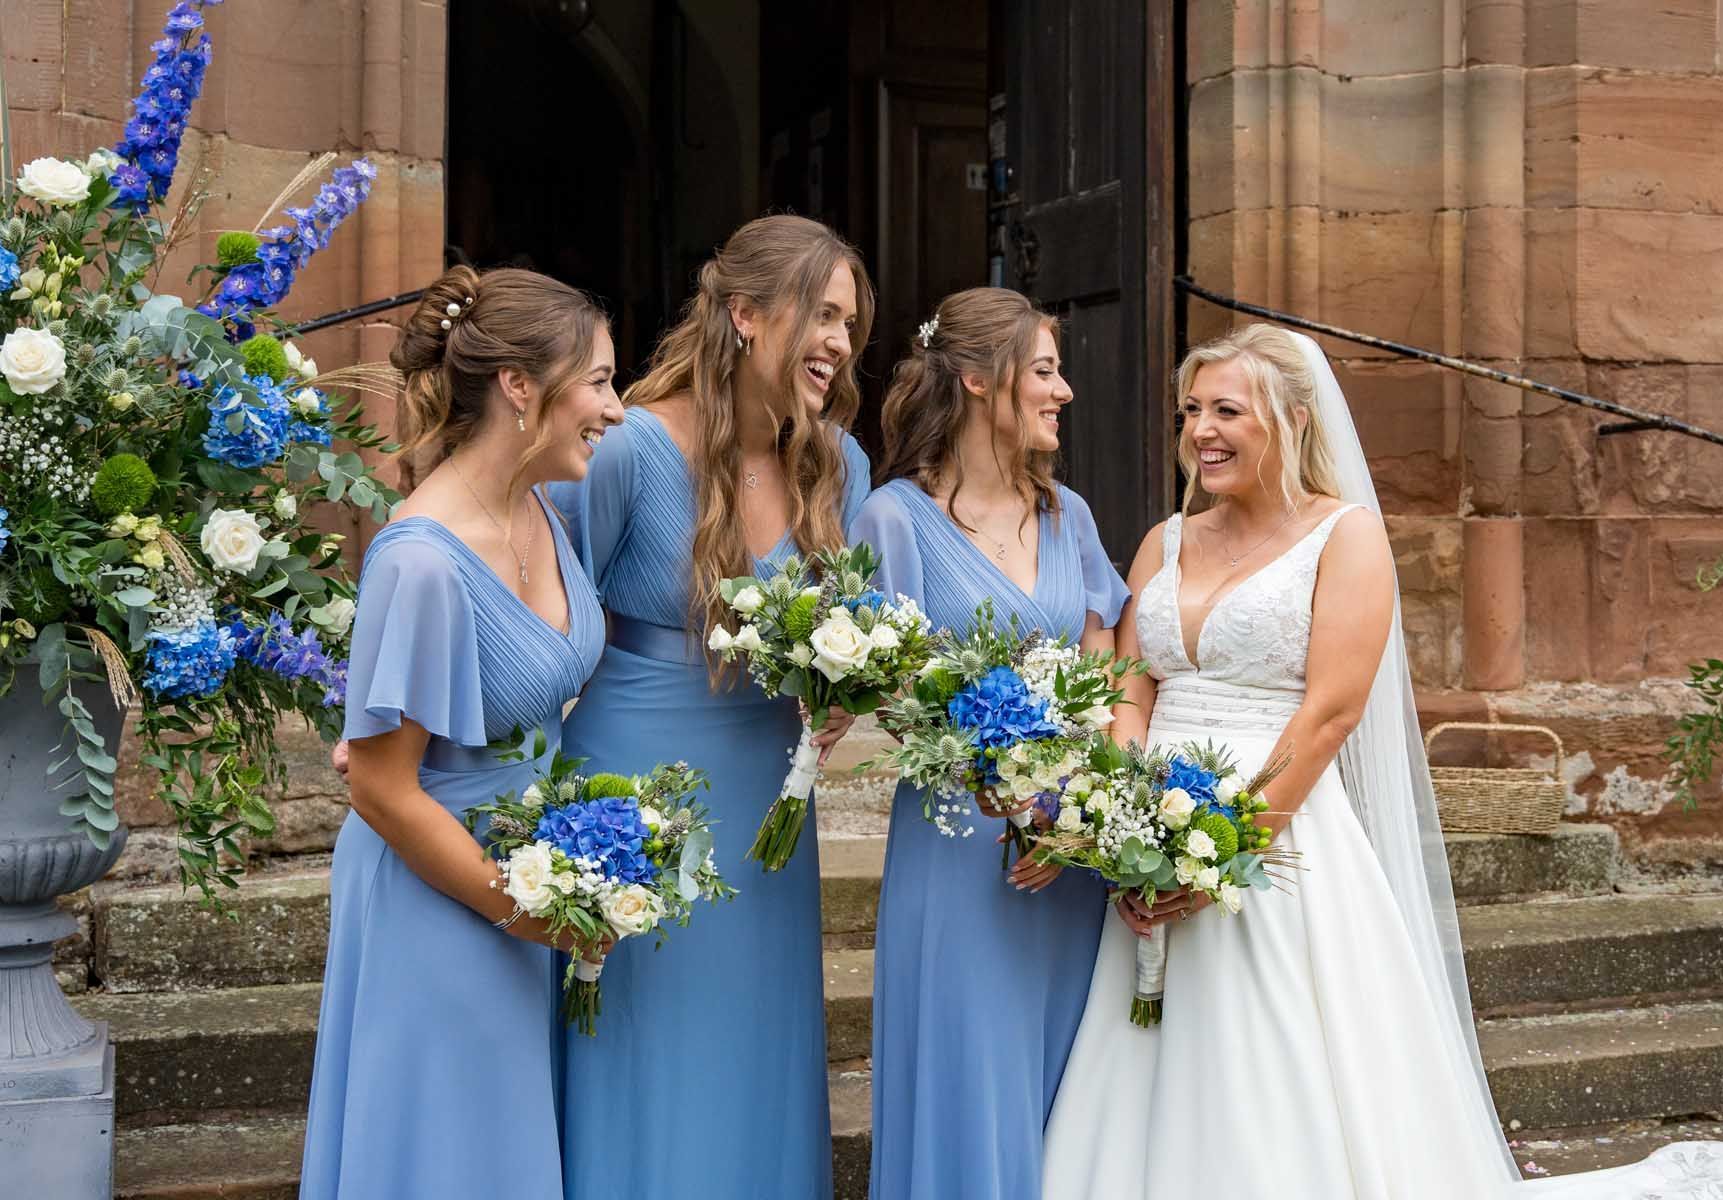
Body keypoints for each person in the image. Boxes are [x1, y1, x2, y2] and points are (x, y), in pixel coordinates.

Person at [1040, 324, 1723, 1198]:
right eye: (1190, 410)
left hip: (1273, 836)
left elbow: (1330, 713)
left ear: (1292, 417)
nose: (1201, 431)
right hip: (1152, 831)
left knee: (1272, 1057)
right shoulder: (1163, 541)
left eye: (1226, 411)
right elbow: (1131, 692)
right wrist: (1126, 825)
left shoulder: (1344, 536)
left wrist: (1220, 852)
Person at [548, 215, 875, 1198]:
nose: (839, 342)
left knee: (750, 1046)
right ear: (744, 314)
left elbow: (846, 626)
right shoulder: (632, 450)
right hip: (634, 781)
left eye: (847, 322)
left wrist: (842, 690)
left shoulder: (840, 465)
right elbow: (549, 619)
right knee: (645, 1041)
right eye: (820, 315)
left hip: (768, 797)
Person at [299, 266, 621, 1199]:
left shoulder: (544, 510)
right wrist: (523, 909)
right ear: (520, 386)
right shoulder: (420, 562)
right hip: (438, 895)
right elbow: (380, 787)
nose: (616, 409)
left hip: (528, 877)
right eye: (599, 381)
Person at [850, 288, 1128, 1200]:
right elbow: (891, 693)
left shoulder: (1068, 515)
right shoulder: (892, 519)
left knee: (1065, 1079)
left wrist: (1073, 807)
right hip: (960, 840)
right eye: (1043, 370)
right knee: (966, 1070)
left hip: (1067, 846)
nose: (1063, 391)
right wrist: (1003, 787)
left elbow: (1103, 671)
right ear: (976, 379)